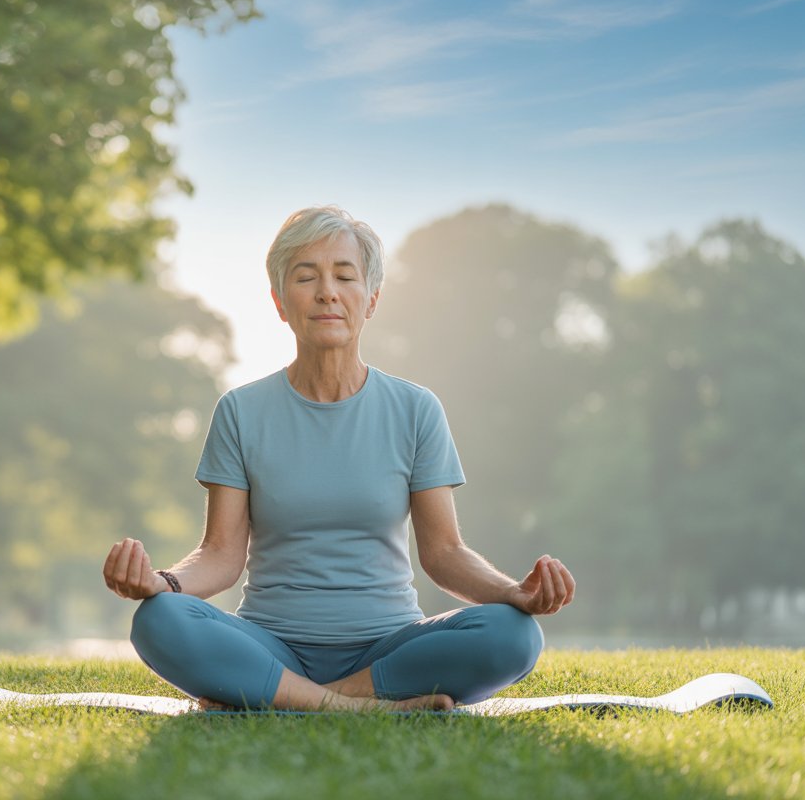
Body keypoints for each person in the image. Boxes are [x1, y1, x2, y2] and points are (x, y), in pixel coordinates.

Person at [103, 206, 576, 712]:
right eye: (306, 277)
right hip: (272, 644)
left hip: (389, 649)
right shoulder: (241, 410)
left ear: (370, 299)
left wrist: (514, 593)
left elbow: (443, 554)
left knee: (513, 634)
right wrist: (163, 584)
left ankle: (281, 698)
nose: (327, 291)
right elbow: (221, 555)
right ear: (280, 302)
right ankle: (357, 707)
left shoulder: (416, 409)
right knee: (159, 619)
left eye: (345, 276)